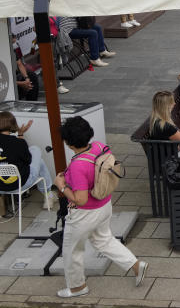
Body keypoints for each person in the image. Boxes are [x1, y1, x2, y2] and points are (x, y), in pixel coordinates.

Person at [53, 116, 147, 298]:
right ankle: (136, 265)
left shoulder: (78, 166)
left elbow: (79, 199)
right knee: (104, 240)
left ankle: (77, 287)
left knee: (72, 251)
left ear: (68, 143)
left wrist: (62, 186)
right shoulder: (97, 147)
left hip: (84, 215)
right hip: (104, 206)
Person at [0, 112, 52, 202]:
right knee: (35, 150)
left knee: (39, 161)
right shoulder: (18, 142)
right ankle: (48, 195)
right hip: (19, 185)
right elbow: (28, 161)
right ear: (13, 124)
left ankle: (48, 195)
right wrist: (20, 135)